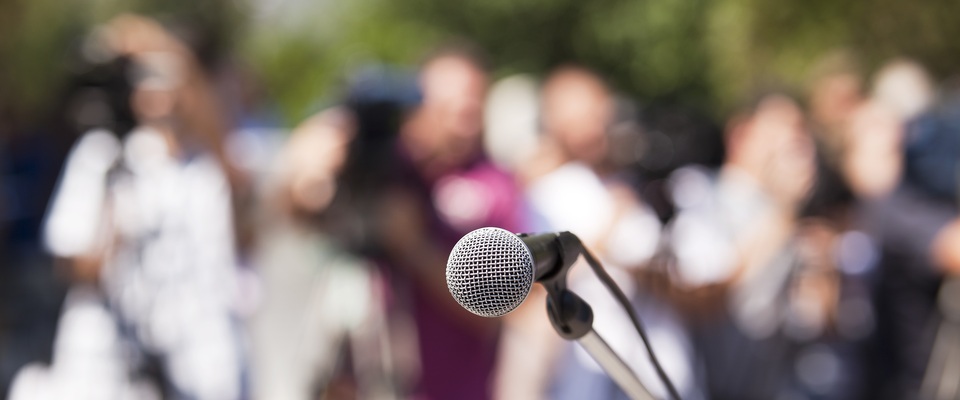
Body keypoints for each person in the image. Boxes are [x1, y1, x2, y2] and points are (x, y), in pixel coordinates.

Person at [20, 15, 247, 400]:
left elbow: (237, 181)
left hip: (197, 364)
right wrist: (115, 218)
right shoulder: (101, 156)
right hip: (107, 365)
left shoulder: (204, 166)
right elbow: (74, 263)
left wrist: (163, 49)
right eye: (144, 78)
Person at [376, 45, 527, 400]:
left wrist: (414, 247)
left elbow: (493, 311)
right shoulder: (382, 170)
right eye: (452, 107)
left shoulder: (496, 186)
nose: (466, 121)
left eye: (475, 106)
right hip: (378, 378)